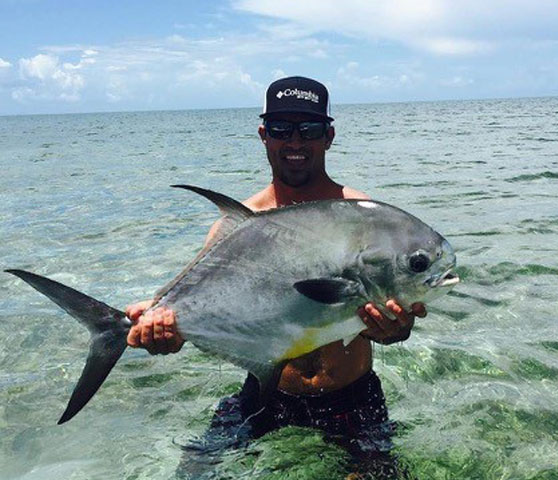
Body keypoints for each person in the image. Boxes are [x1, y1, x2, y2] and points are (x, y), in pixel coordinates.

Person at [125, 76, 426, 478]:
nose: (295, 142)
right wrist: (162, 324)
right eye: (283, 129)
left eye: (310, 129)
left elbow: (392, 311)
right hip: (267, 393)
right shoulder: (238, 224)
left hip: (352, 398)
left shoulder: (362, 218)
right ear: (264, 136)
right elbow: (195, 303)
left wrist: (396, 330)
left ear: (329, 136)